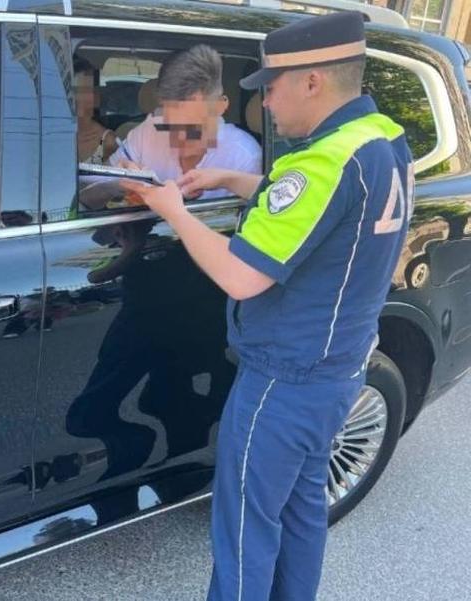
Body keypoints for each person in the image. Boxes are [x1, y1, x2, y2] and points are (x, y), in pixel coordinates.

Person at [122, 12, 413, 601]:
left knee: (244, 533)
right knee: (302, 512)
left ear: (312, 81)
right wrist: (234, 180)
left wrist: (173, 211)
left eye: (272, 87)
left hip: (284, 380)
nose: (266, 103)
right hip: (337, 372)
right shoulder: (379, 138)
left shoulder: (320, 162)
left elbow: (240, 275)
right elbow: (323, 211)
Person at [110, 44, 262, 199]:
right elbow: (97, 182)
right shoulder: (148, 132)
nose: (182, 136)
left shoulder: (244, 157)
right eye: (172, 125)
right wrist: (119, 179)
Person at [74, 57, 118, 164]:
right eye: (74, 91)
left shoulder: (107, 142)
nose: (75, 97)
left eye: (85, 90)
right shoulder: (51, 134)